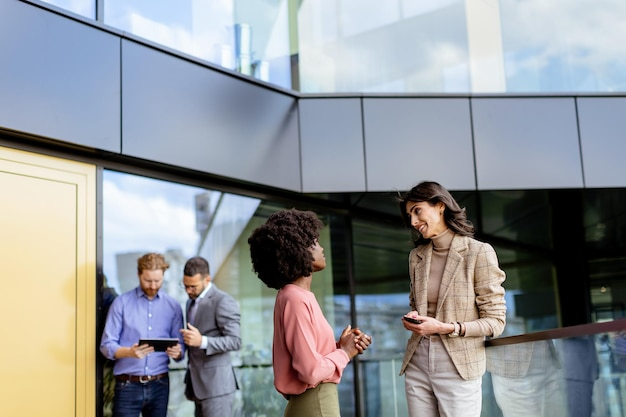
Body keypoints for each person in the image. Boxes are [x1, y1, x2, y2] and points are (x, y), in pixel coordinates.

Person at [247, 208, 373, 417]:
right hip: (316, 403)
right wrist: (345, 353)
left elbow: (308, 358)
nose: (321, 248)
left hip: (315, 402)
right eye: (314, 243)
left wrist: (340, 346)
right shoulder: (295, 298)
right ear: (296, 250)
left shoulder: (295, 296)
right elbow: (309, 370)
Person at [397, 181, 507, 417]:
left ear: (440, 206)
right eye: (410, 216)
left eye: (417, 211)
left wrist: (446, 328)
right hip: (418, 362)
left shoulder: (479, 252)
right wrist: (414, 317)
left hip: (458, 365)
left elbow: (496, 322)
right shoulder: (416, 257)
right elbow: (417, 305)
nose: (414, 222)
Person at [100, 252, 185, 417]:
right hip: (127, 385)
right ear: (139, 275)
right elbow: (106, 345)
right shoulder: (121, 303)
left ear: (163, 276)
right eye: (148, 281)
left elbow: (180, 349)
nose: (153, 286)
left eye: (157, 281)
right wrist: (129, 352)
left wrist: (178, 352)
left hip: (160, 385)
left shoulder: (173, 306)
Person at [179, 256, 242, 417]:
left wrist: (203, 341)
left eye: (193, 286)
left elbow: (235, 341)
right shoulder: (190, 302)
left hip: (217, 388)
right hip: (197, 385)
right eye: (185, 286)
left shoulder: (223, 301)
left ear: (207, 279)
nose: (188, 291)